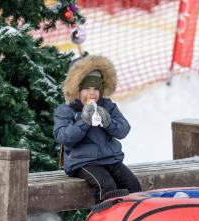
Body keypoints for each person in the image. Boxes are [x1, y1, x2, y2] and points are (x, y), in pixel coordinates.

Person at [53, 55, 142, 204]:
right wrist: (84, 122)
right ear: (76, 90)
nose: (92, 93)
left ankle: (132, 218)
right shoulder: (66, 110)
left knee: (133, 185)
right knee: (106, 186)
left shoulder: (107, 106)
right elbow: (62, 137)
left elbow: (123, 129)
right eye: (87, 88)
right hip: (83, 162)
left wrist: (108, 122)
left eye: (96, 89)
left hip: (111, 159)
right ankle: (106, 220)